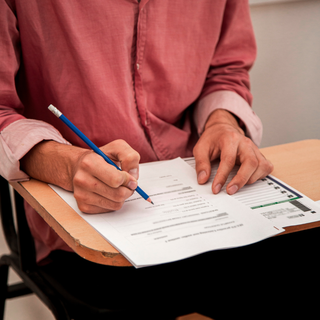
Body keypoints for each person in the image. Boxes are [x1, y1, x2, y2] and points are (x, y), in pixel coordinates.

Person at [0, 1, 297, 319]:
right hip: (85, 230)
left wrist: (223, 122)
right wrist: (66, 163)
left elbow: (226, 71)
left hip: (203, 199)